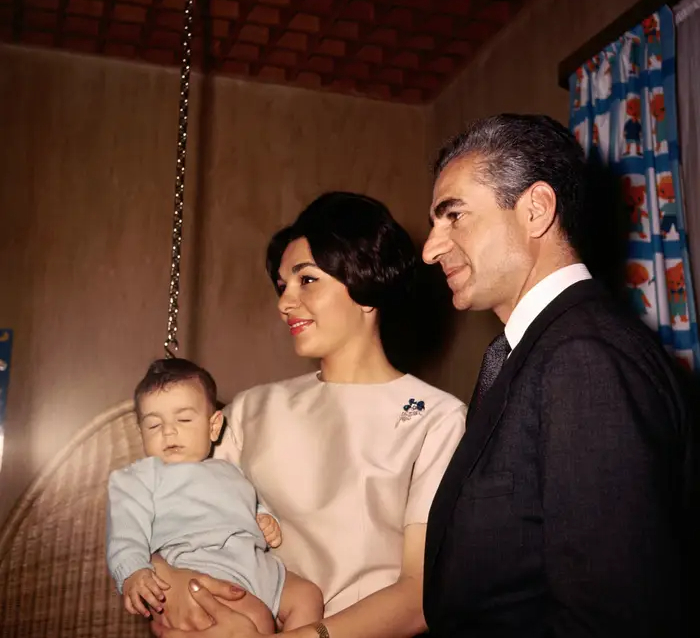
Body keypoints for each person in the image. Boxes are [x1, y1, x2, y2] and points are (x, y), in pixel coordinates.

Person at [421, 114, 694, 637]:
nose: (431, 248)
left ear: (536, 209)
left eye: (453, 216)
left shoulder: (584, 358)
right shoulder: (542, 350)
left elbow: (611, 620)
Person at [149, 192, 467, 638]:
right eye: (283, 285)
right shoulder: (251, 409)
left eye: (307, 280)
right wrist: (171, 581)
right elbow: (184, 528)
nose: (284, 302)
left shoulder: (437, 418)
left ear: (364, 281)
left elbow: (418, 596)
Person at [107, 358, 323, 633]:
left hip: (258, 566)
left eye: (184, 419)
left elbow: (248, 502)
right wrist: (133, 571)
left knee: (308, 597)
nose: (169, 431)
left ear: (213, 426)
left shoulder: (230, 470)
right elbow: (125, 533)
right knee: (255, 620)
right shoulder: (139, 479)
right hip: (202, 569)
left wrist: (264, 517)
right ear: (141, 433)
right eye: (153, 425)